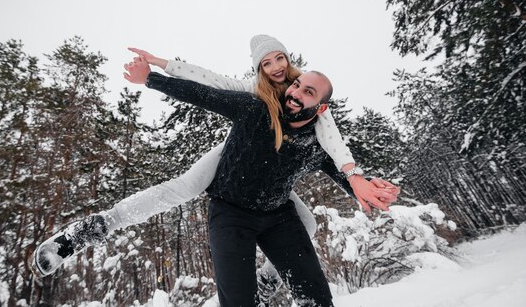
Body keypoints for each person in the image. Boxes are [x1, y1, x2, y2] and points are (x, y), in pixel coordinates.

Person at [29, 36, 399, 297]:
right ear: (257, 68)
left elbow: (331, 143)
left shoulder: (310, 102)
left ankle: (269, 280)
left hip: (275, 180)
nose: (276, 69)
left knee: (308, 222)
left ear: (290, 61)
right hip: (236, 153)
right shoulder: (252, 94)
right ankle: (88, 230)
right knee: (182, 188)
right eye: (265, 63)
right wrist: (156, 70)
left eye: (279, 59)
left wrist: (356, 180)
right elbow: (205, 85)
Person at [123, 59, 398, 307]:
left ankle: (271, 283)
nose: (295, 94)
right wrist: (150, 79)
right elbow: (204, 94)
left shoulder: (316, 145)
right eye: (297, 85)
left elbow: (343, 174)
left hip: (279, 219)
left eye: (308, 93)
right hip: (230, 214)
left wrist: (369, 187)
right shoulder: (255, 110)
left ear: (321, 108)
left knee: (316, 299)